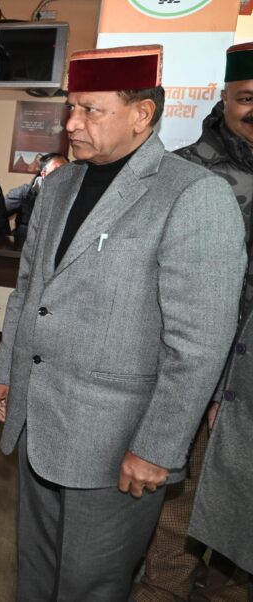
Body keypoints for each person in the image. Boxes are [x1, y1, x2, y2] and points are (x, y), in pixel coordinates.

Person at [0, 45, 246, 601]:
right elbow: (29, 289)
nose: (71, 123)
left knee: (90, 587)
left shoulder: (193, 195)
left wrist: (158, 447)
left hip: (116, 442)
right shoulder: (60, 186)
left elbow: (199, 344)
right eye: (72, 107)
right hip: (38, 421)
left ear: (141, 114)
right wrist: (7, 372)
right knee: (35, 577)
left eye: (91, 110)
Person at [134, 41, 253, 601]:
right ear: (223, 97)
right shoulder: (183, 171)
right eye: (247, 97)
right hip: (200, 373)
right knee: (179, 511)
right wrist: (210, 384)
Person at [4, 152, 68, 244]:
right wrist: (4, 239)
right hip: (24, 247)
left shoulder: (74, 196)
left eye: (66, 170)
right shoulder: (26, 193)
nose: (62, 174)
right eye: (56, 170)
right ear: (44, 174)